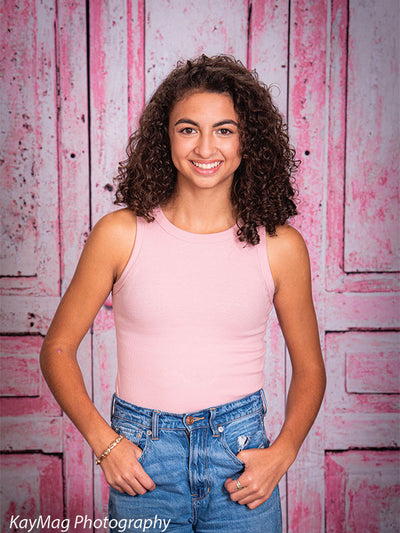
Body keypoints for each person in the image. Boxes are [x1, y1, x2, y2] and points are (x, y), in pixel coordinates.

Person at [40, 54, 326, 533]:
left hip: (240, 464)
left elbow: (311, 368)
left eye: (225, 130)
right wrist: (105, 444)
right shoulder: (120, 233)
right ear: (166, 137)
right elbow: (58, 349)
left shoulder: (281, 247)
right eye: (188, 129)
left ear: (246, 141)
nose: (205, 146)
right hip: (145, 465)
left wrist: (282, 453)